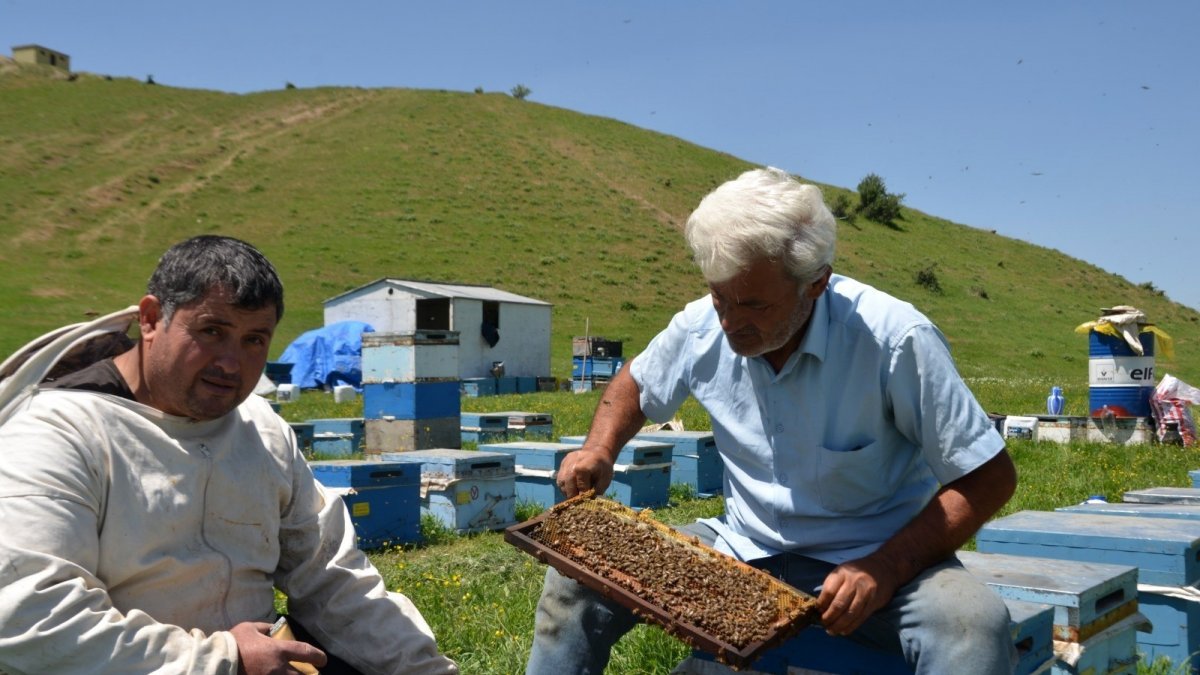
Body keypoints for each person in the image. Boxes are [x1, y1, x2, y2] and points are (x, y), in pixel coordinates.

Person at [526, 168, 1018, 674]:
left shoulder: (894, 339)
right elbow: (637, 380)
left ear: (816, 283)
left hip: (879, 560)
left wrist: (886, 567)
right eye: (720, 297)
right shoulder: (701, 326)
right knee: (574, 579)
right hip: (741, 549)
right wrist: (599, 448)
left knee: (974, 624)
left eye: (754, 303)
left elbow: (989, 475)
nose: (729, 321)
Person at [0, 235, 458, 674]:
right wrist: (225, 661)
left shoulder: (262, 429)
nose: (231, 363)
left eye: (254, 339)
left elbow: (332, 580)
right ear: (150, 318)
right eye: (212, 331)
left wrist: (423, 669)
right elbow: (28, 615)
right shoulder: (57, 433)